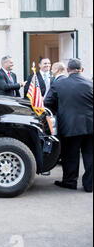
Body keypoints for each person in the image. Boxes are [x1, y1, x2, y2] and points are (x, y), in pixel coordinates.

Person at [44, 58, 93, 193]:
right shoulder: (90, 83)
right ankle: (90, 185)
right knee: (90, 155)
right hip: (90, 126)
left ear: (67, 70)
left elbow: (47, 103)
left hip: (69, 125)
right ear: (82, 70)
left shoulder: (59, 84)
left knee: (70, 155)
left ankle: (70, 182)